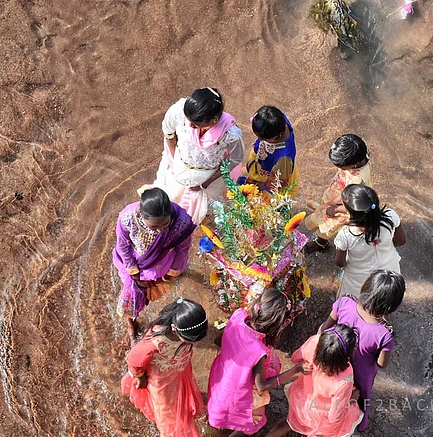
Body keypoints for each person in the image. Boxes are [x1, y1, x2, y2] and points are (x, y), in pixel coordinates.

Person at [248, 324, 364, 437]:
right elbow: (335, 417)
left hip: (301, 402)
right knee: (339, 434)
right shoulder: (345, 377)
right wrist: (351, 399)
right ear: (346, 356)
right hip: (322, 417)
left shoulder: (314, 342)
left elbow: (295, 358)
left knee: (289, 422)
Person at [207, 289, 306, 437]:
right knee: (253, 421)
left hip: (222, 376)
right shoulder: (259, 351)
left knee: (218, 407)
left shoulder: (239, 316)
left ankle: (212, 428)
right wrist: (296, 369)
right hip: (242, 391)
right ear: (277, 324)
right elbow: (262, 386)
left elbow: (218, 341)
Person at [120, 298, 209, 437]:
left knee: (182, 403)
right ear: (174, 328)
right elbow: (133, 358)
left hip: (180, 373)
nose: (193, 342)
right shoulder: (156, 341)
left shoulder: (188, 330)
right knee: (168, 415)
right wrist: (140, 377)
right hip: (162, 383)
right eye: (189, 339)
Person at [319, 270, 405, 432]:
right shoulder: (384, 334)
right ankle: (357, 425)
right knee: (360, 399)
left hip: (333, 359)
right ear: (392, 306)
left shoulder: (344, 302)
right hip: (360, 375)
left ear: (365, 287)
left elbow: (324, 328)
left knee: (329, 391)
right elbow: (382, 364)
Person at [149, 87, 245, 224]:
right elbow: (168, 131)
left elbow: (234, 160)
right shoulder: (181, 111)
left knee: (206, 212)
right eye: (189, 121)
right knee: (172, 197)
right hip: (179, 169)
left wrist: (204, 185)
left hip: (210, 179)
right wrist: (173, 159)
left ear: (213, 120)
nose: (189, 125)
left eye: (195, 125)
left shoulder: (230, 135)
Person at [113, 187, 195, 346]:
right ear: (141, 215)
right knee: (131, 295)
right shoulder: (127, 218)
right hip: (134, 264)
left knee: (152, 290)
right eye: (154, 227)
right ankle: (131, 325)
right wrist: (135, 274)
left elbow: (182, 249)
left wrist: (170, 273)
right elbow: (122, 246)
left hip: (162, 263)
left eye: (165, 224)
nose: (160, 231)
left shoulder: (181, 221)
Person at [303, 134, 372, 253]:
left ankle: (321, 242)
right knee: (323, 219)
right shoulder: (360, 156)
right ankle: (322, 240)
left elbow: (353, 205)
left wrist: (335, 209)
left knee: (328, 225)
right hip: (340, 195)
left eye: (341, 166)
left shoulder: (358, 181)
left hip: (343, 208)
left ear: (353, 165)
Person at [334, 184, 405, 297]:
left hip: (358, 282)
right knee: (383, 301)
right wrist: (383, 245)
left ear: (350, 212)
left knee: (352, 302)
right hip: (389, 275)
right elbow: (401, 241)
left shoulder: (346, 234)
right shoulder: (390, 216)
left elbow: (340, 262)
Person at [243, 105, 299, 198]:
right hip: (266, 162)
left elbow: (275, 183)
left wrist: (259, 186)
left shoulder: (284, 159)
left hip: (275, 175)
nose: (259, 140)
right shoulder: (277, 120)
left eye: (263, 139)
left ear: (274, 137)